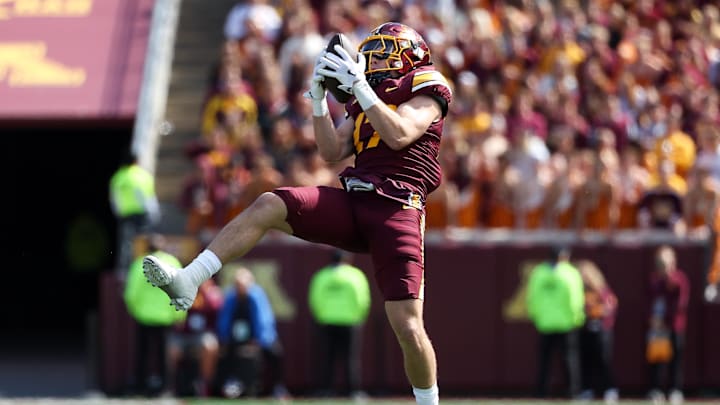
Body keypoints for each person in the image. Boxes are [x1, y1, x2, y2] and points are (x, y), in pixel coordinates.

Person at [143, 21, 452, 405]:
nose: (374, 60)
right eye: (372, 52)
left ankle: (429, 402)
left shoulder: (426, 85)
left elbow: (400, 133)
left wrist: (359, 86)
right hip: (355, 201)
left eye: (384, 51)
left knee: (407, 325)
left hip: (398, 208)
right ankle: (189, 279)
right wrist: (319, 101)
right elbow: (331, 150)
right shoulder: (365, 95)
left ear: (410, 55)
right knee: (270, 203)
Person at [122, 234, 186, 396]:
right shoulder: (172, 262)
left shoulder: (139, 263)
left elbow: (131, 293)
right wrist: (180, 314)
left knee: (142, 353)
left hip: (144, 316)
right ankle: (164, 388)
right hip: (166, 317)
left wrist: (135, 311)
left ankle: (140, 386)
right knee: (163, 354)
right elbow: (181, 289)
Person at [216, 266, 289, 399]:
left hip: (257, 338)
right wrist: (224, 339)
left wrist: (258, 341)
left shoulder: (257, 296)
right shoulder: (231, 297)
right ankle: (229, 384)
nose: (240, 288)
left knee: (276, 353)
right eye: (237, 285)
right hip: (235, 338)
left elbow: (263, 320)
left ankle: (277, 387)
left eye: (243, 285)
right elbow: (224, 320)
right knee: (226, 356)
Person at [308, 249, 371, 398]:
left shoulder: (322, 276)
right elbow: (362, 299)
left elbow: (315, 299)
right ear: (348, 259)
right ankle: (353, 391)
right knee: (351, 358)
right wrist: (359, 317)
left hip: (327, 321)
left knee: (327, 358)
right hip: (350, 321)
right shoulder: (355, 276)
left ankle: (326, 390)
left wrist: (321, 316)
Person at [526, 245, 585, 398]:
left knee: (544, 361)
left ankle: (541, 393)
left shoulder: (539, 272)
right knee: (569, 360)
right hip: (566, 322)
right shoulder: (570, 273)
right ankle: (573, 392)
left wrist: (537, 317)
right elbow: (575, 299)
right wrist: (577, 317)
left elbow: (532, 298)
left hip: (545, 323)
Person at [646, 245, 690, 405]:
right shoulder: (654, 279)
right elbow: (650, 301)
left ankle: (675, 390)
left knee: (675, 359)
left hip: (673, 326)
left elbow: (680, 304)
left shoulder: (678, 279)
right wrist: (652, 319)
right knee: (656, 359)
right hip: (657, 328)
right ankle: (655, 389)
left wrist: (665, 319)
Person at [166, 278, 224, 397]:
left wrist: (206, 292)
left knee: (209, 346)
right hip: (183, 334)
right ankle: (170, 385)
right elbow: (176, 314)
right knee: (172, 349)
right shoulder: (183, 289)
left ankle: (205, 385)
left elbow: (216, 307)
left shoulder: (210, 292)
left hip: (202, 334)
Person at [109, 149, 160, 278]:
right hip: (142, 215)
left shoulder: (118, 177)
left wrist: (119, 212)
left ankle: (124, 271)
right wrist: (153, 214)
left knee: (126, 244)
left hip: (125, 215)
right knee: (144, 242)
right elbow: (147, 197)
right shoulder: (142, 175)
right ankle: (146, 268)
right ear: (136, 161)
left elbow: (114, 199)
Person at [576, 260, 619, 404]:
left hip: (602, 331)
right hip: (585, 330)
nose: (583, 278)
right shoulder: (579, 290)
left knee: (603, 361)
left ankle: (610, 389)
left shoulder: (602, 289)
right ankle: (586, 390)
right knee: (585, 361)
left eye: (585, 274)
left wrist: (597, 311)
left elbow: (610, 306)